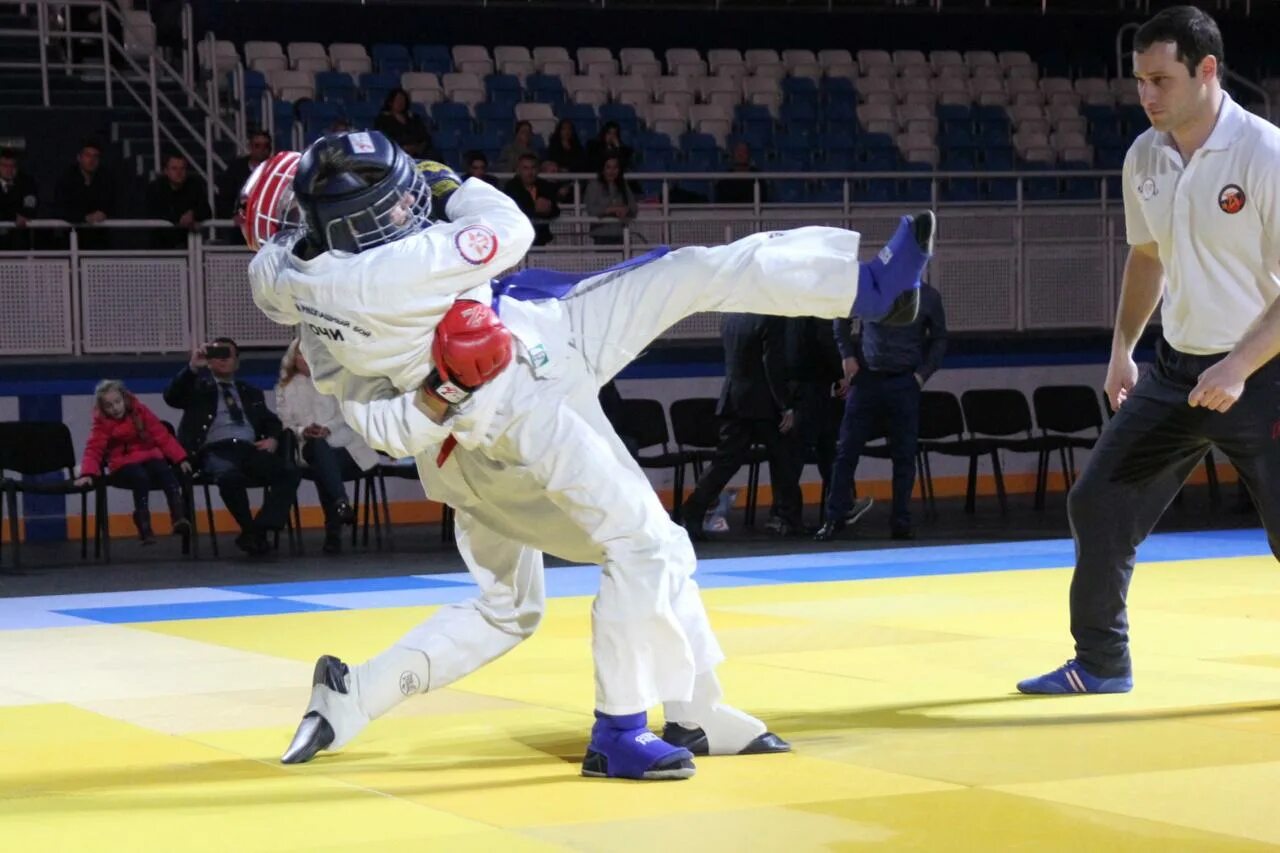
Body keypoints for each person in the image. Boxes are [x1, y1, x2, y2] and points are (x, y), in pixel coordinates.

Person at [243, 130, 933, 779]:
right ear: (348, 224)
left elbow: (382, 427)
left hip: (515, 368)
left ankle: (353, 692)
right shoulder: (396, 266)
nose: (404, 204)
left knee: (512, 603)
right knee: (644, 546)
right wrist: (448, 186)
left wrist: (434, 395)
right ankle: (621, 729)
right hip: (519, 401)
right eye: (391, 201)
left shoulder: (304, 305)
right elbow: (508, 225)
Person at [1018, 6, 1280, 695]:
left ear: (1207, 70)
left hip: (1266, 373)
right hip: (1177, 371)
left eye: (1161, 79)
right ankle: (1102, 661)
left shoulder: (1265, 154)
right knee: (1097, 501)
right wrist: (1122, 349)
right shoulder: (1145, 155)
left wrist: (1241, 364)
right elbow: (1146, 256)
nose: (1147, 95)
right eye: (1139, 81)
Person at [815, 280, 947, 542]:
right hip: (867, 380)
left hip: (904, 381)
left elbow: (940, 338)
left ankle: (901, 521)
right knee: (846, 450)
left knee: (904, 455)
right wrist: (847, 355)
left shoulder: (928, 296)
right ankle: (834, 517)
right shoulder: (871, 289)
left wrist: (922, 376)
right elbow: (840, 319)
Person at [163, 336, 301, 556]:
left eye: (228, 355)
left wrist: (274, 439)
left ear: (237, 361)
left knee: (289, 472)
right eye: (217, 355)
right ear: (209, 360)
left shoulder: (250, 392)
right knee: (229, 478)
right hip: (214, 450)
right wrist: (192, 367)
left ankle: (256, 530)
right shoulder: (197, 387)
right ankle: (252, 532)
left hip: (248, 449)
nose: (223, 360)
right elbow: (171, 398)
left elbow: (272, 421)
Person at [681, 314, 804, 540]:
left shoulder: (730, 318)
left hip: (734, 398)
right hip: (763, 403)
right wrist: (785, 405)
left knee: (725, 461)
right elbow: (771, 363)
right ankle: (788, 517)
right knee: (785, 459)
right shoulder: (771, 318)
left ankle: (693, 509)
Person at [276, 338, 380, 554]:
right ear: (293, 358)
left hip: (347, 449)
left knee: (323, 466)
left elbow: (347, 415)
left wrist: (327, 428)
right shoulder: (284, 388)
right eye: (301, 354)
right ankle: (340, 503)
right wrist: (304, 429)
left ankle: (335, 527)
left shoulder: (337, 382)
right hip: (309, 446)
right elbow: (286, 423)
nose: (306, 359)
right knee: (319, 451)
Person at [75, 379, 192, 545]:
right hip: (122, 464)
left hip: (150, 456)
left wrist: (181, 458)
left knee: (165, 471)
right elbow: (94, 449)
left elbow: (162, 436)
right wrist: (87, 473)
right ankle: (144, 525)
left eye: (117, 402)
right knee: (140, 477)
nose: (115, 408)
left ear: (124, 399)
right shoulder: (102, 423)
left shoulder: (140, 411)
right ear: (103, 408)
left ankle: (179, 517)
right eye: (109, 405)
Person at [583, 155, 637, 245]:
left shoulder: (623, 185)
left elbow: (634, 207)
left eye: (615, 167)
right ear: (602, 169)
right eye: (608, 167)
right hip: (602, 235)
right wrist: (612, 210)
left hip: (621, 234)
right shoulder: (593, 185)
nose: (612, 171)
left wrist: (626, 210)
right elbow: (591, 210)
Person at [373, 88, 433, 158]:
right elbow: (384, 139)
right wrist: (403, 148)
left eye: (403, 100)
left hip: (418, 153)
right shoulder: (382, 120)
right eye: (398, 100)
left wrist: (418, 148)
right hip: (396, 153)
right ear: (390, 102)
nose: (401, 102)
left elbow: (424, 136)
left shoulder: (414, 118)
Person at [0, 148, 38, 251]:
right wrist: (13, 216)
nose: (9, 169)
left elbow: (31, 204)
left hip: (19, 243)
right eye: (4, 166)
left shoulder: (27, 183)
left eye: (12, 166)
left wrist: (24, 214)